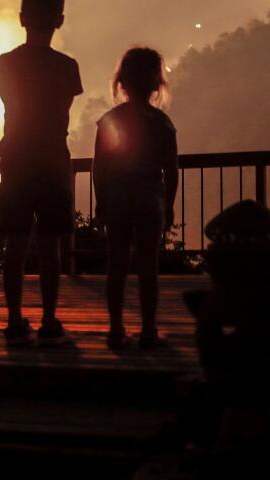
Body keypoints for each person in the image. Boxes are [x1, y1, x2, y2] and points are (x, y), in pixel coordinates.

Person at [0, 0, 82, 347]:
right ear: (59, 20)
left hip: (16, 156)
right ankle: (48, 319)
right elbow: (64, 111)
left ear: (21, 18)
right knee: (50, 245)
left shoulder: (5, 64)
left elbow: (7, 100)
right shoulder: (67, 68)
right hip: (52, 159)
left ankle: (14, 319)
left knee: (15, 244)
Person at [93, 47, 178, 350]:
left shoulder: (109, 121)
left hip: (117, 198)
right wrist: (167, 205)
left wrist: (101, 200)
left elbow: (99, 167)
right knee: (148, 268)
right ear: (156, 85)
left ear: (122, 83)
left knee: (117, 265)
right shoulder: (162, 124)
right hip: (149, 199)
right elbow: (171, 170)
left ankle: (116, 329)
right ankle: (148, 330)